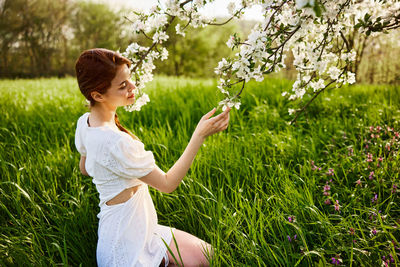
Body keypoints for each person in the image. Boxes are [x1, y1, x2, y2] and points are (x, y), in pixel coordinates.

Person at [74, 48, 231, 267]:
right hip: (124, 250)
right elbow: (167, 184)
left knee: (211, 257)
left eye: (129, 80)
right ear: (97, 95)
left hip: (143, 230)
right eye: (122, 86)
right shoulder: (116, 142)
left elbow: (84, 167)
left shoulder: (85, 122)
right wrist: (199, 135)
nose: (132, 87)